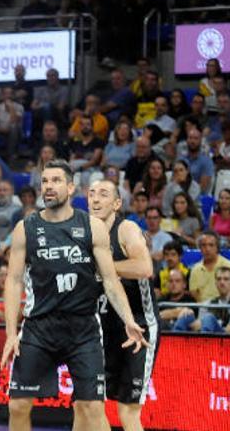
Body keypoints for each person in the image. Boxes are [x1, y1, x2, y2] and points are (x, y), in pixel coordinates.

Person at [2, 160, 146, 431]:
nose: (48, 187)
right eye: (44, 181)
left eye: (56, 181)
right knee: (18, 404)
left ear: (70, 187)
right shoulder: (26, 228)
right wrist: (11, 333)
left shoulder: (92, 226)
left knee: (92, 408)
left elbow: (111, 281)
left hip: (83, 329)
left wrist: (128, 320)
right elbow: (12, 280)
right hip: (39, 327)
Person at [88, 180, 157, 431]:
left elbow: (144, 268)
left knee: (127, 412)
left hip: (137, 325)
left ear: (117, 203)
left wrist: (104, 269)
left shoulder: (126, 229)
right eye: (91, 194)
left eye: (103, 194)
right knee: (90, 405)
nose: (95, 199)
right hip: (101, 327)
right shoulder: (84, 234)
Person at [173, 267, 230, 333]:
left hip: (227, 338)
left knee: (208, 318)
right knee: (186, 315)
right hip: (207, 332)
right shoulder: (208, 303)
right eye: (219, 279)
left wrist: (213, 322)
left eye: (226, 279)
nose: (222, 282)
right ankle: (174, 341)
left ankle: (205, 341)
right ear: (215, 283)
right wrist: (188, 313)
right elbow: (198, 326)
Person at [189, 231, 230, 302]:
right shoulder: (195, 269)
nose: (207, 249)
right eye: (204, 245)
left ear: (217, 247)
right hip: (203, 308)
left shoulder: (228, 265)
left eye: (211, 245)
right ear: (200, 248)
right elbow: (194, 292)